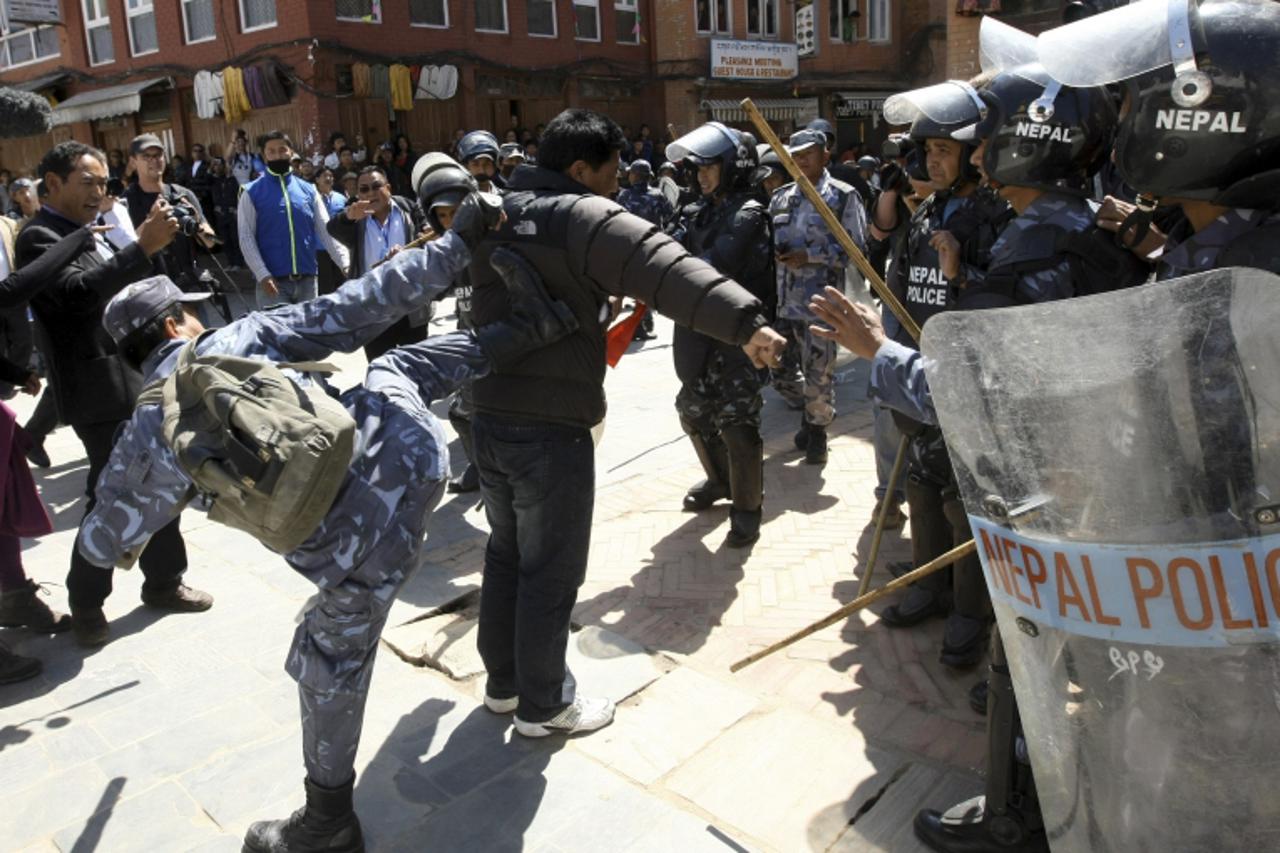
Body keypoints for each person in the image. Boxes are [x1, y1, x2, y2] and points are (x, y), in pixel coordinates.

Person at [77, 181, 577, 852]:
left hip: (351, 559)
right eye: (188, 313)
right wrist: (458, 244)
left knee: (330, 662)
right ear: (174, 323)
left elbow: (106, 540)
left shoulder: (147, 434)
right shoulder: (238, 337)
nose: (196, 318)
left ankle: (327, 822)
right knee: (394, 367)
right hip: (411, 460)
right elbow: (362, 303)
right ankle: (528, 328)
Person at [465, 108, 786, 737]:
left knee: (506, 552)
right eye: (611, 172)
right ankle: (544, 703)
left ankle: (503, 685)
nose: (617, 183)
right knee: (551, 567)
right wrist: (747, 323)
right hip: (551, 427)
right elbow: (665, 270)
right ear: (580, 169)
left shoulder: (492, 211)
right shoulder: (583, 217)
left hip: (488, 414)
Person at [13, 140, 212, 647]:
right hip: (95, 390)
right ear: (53, 184)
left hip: (137, 379)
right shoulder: (40, 236)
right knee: (111, 492)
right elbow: (76, 299)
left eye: (103, 183)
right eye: (87, 183)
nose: (98, 192)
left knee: (164, 476)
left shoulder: (91, 228)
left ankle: (164, 581)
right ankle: (86, 602)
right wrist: (138, 247)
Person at [873, 83, 1013, 655]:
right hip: (923, 369)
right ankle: (929, 586)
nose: (932, 160)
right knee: (922, 484)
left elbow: (1005, 305)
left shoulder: (997, 215)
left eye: (944, 151)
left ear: (972, 153)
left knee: (964, 503)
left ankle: (970, 613)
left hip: (972, 377)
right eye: (926, 151)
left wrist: (958, 269)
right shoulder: (926, 207)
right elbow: (901, 284)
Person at [665, 123, 775, 547]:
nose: (701, 175)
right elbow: (667, 248)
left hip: (738, 336)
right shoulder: (699, 210)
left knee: (738, 424)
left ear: (732, 166)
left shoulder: (749, 213)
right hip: (698, 332)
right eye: (697, 168)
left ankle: (748, 509)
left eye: (709, 166)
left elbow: (713, 265)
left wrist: (674, 266)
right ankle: (721, 481)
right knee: (692, 411)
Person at [768, 128, 868, 466]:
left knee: (819, 373)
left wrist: (809, 255)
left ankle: (817, 434)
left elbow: (857, 249)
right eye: (796, 155)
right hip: (784, 302)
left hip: (820, 304)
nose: (801, 160)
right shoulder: (781, 197)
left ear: (826, 155)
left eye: (808, 153)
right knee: (778, 371)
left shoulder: (842, 195)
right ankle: (810, 416)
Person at [413, 154, 484, 495]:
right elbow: (436, 288)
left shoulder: (492, 239)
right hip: (469, 340)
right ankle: (480, 468)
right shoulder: (446, 251)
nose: (449, 220)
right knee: (462, 413)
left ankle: (498, 475)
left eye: (455, 212)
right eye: (441, 215)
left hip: (503, 342)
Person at [238, 130, 350, 309]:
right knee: (278, 337)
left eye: (282, 150)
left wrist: (345, 263)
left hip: (308, 281)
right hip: (272, 284)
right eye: (271, 151)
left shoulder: (309, 190)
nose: (277, 155)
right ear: (264, 155)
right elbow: (246, 238)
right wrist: (262, 274)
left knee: (309, 335)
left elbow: (327, 230)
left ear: (291, 152)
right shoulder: (251, 192)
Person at [326, 165, 429, 360]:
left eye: (376, 186)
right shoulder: (356, 220)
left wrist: (409, 254)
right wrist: (348, 217)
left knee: (417, 367)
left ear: (388, 187)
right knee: (380, 369)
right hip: (373, 311)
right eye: (364, 189)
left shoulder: (409, 208)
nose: (371, 193)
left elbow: (429, 238)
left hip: (411, 305)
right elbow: (332, 228)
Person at [123, 134, 226, 322]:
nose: (154, 161)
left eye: (158, 155)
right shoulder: (126, 201)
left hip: (189, 289)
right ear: (133, 161)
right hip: (150, 295)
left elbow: (211, 244)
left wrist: (196, 221)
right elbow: (125, 248)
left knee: (200, 347)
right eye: (147, 156)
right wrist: (151, 220)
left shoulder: (182, 194)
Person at [313, 165, 348, 296]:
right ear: (317, 179)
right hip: (320, 248)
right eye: (324, 176)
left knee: (342, 283)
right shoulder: (312, 199)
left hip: (340, 246)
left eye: (330, 176)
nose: (328, 178)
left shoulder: (341, 198)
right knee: (325, 286)